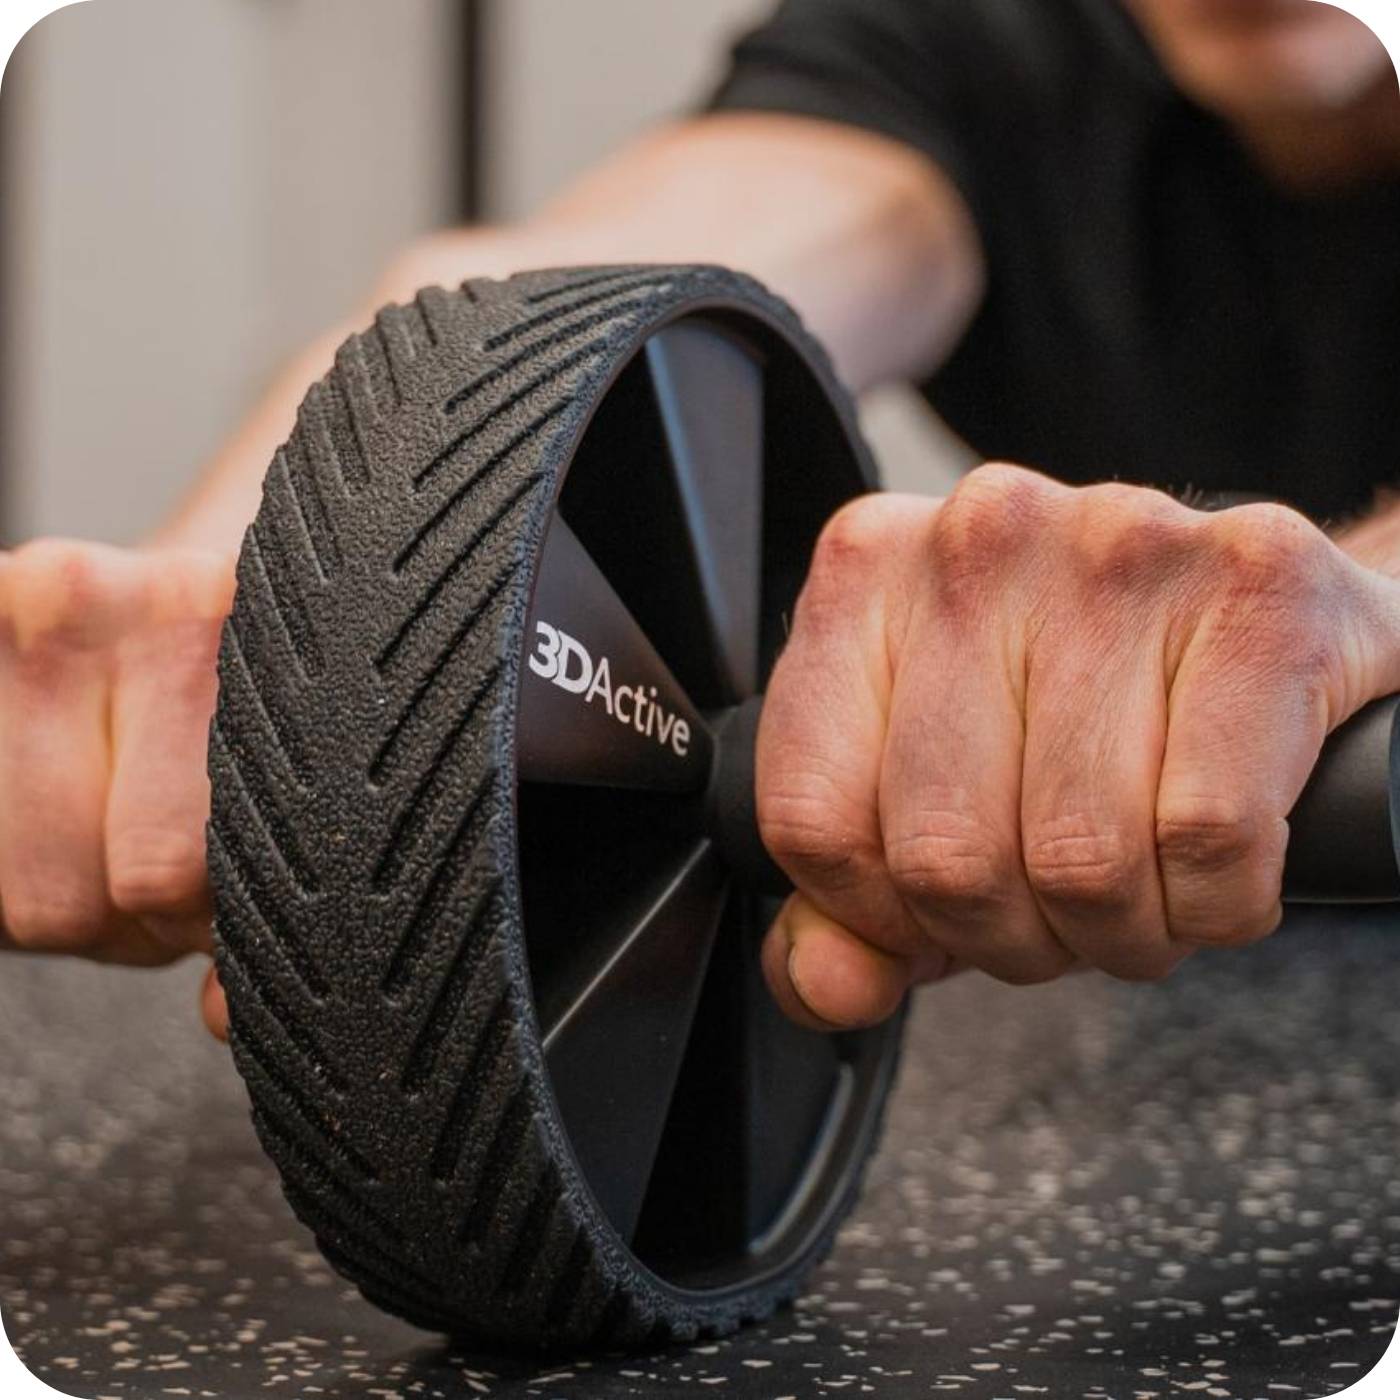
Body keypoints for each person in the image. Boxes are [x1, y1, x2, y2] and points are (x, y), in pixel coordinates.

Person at [2, 0, 1396, 1041]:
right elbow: (579, 293)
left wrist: (1358, 616)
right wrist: (238, 632)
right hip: (1162, 1000)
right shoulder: (971, 35)